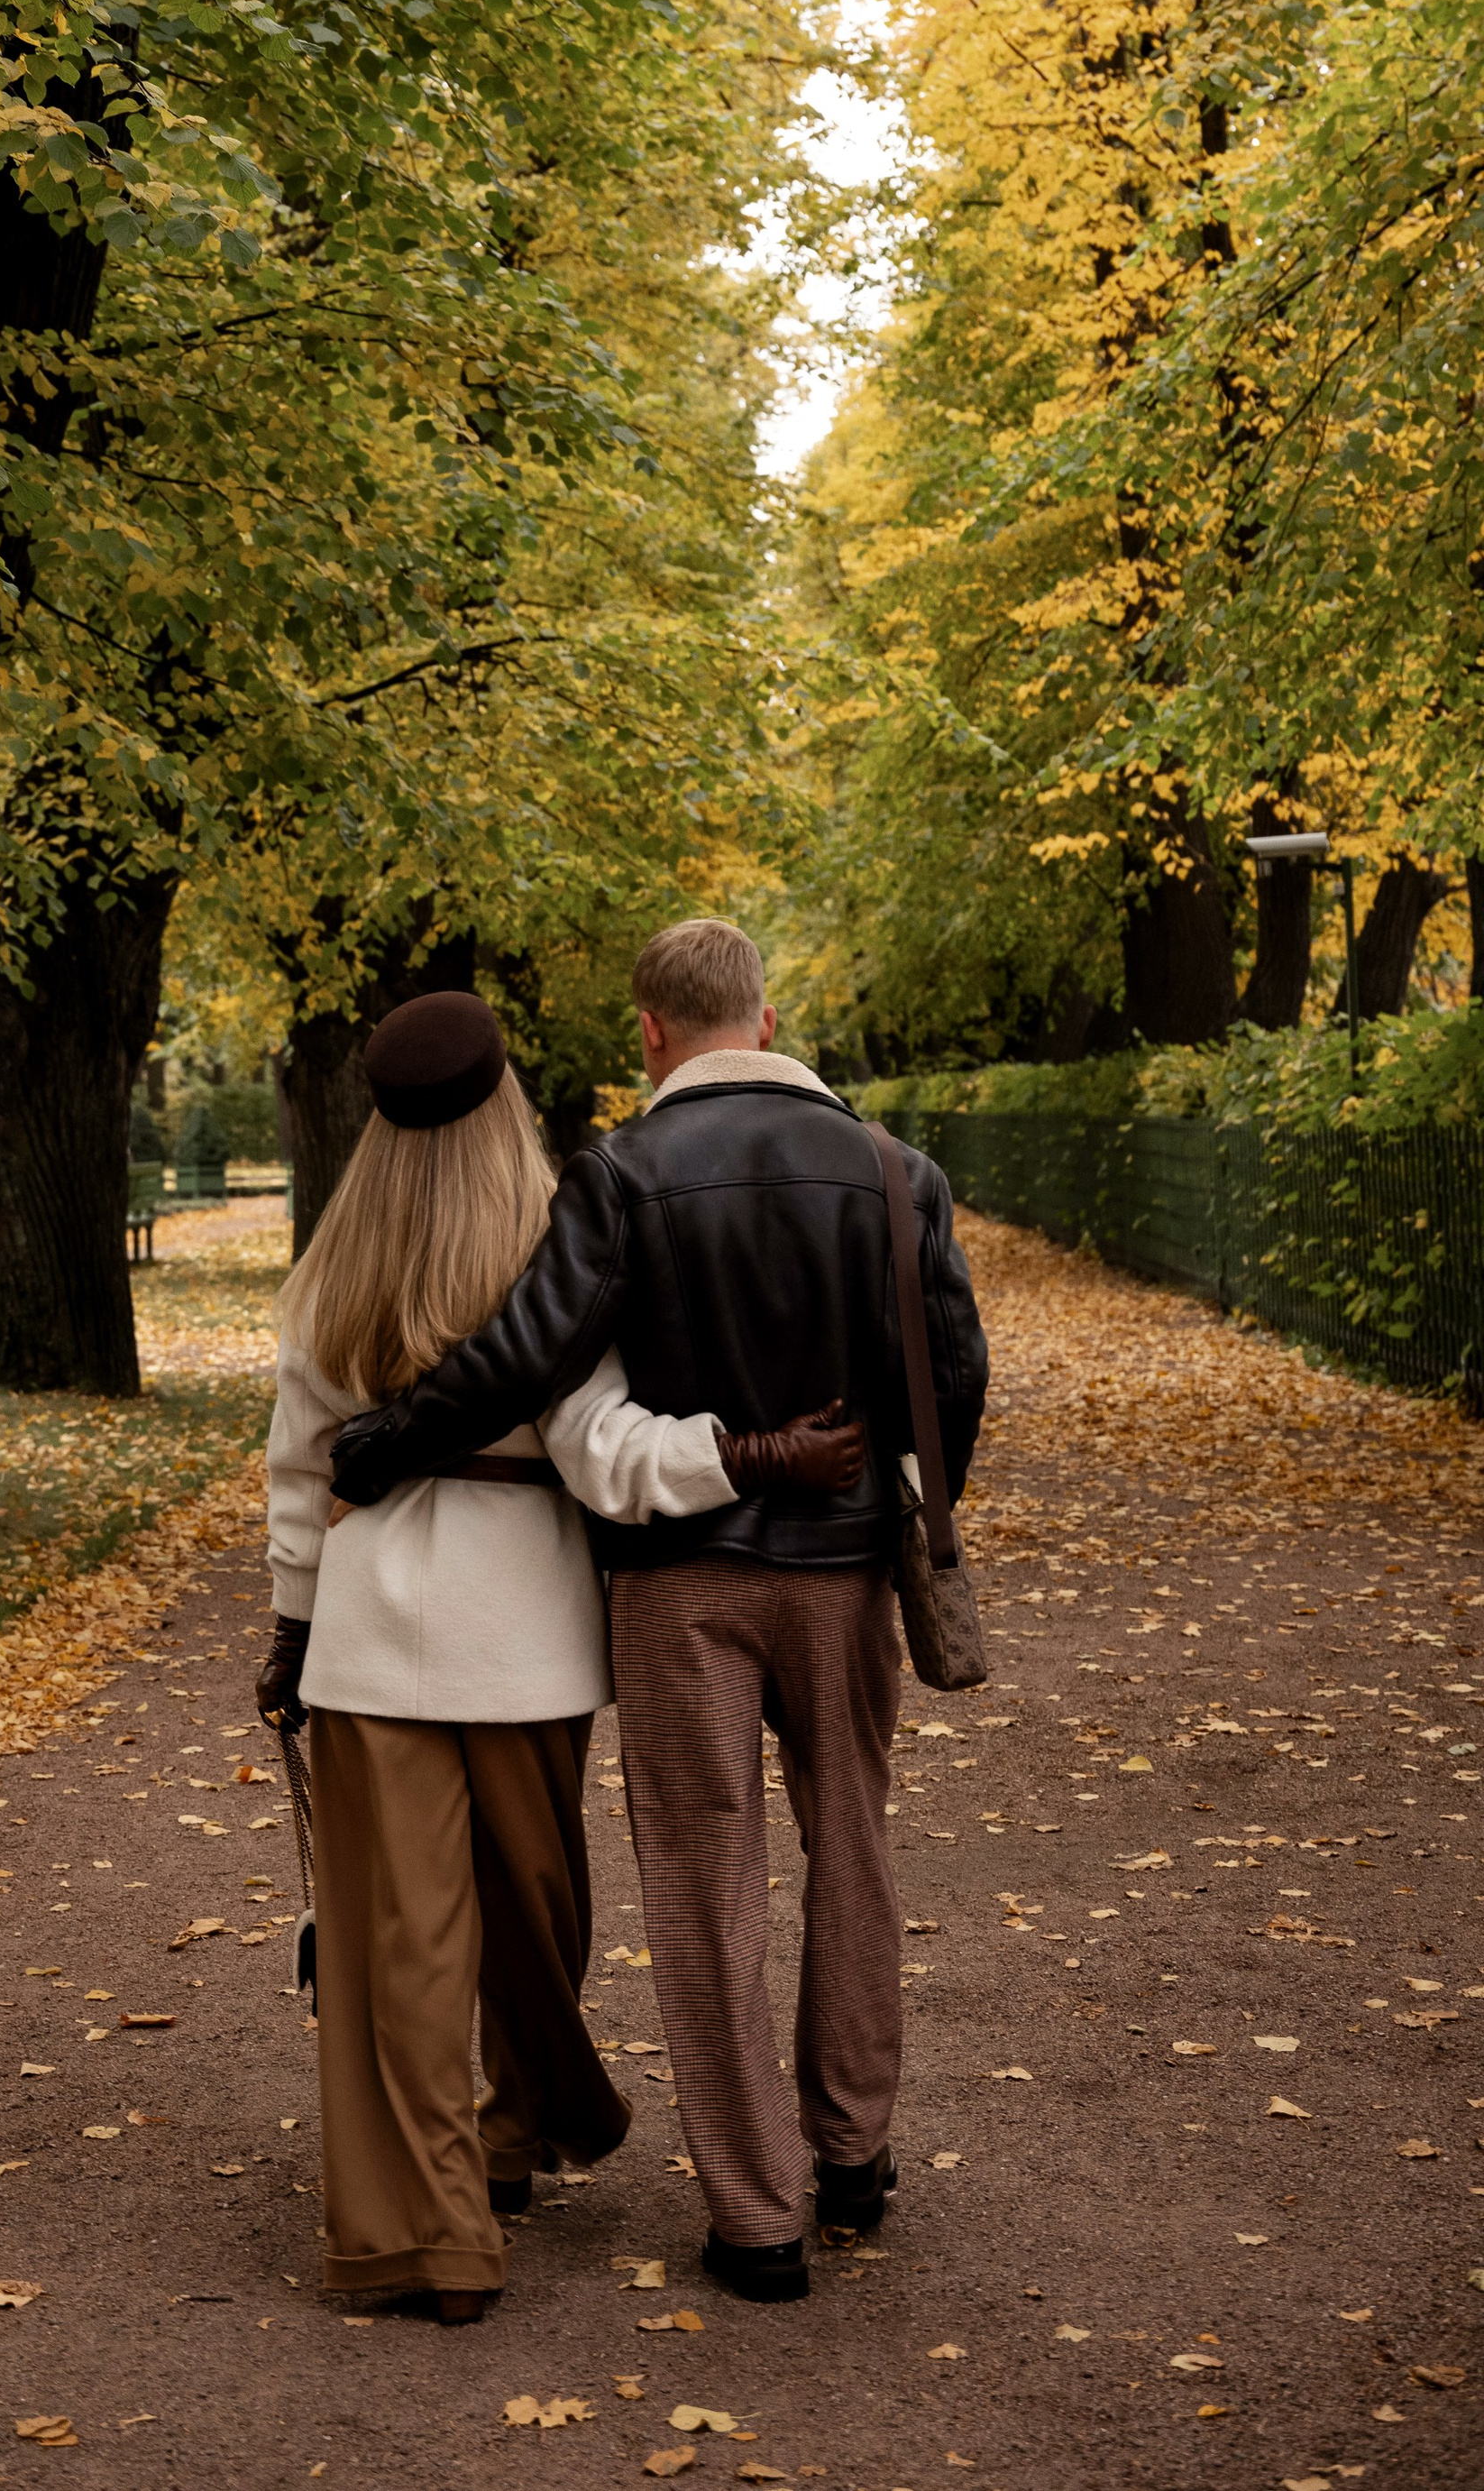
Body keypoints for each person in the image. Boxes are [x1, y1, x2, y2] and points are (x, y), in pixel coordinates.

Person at [330, 920, 987, 2307]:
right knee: (854, 1846)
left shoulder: (621, 1173)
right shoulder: (896, 1175)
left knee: (705, 1889)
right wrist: (908, 1511)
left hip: (681, 1584)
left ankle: (757, 2220)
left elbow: (531, 1352)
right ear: (764, 1013)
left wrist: (391, 1441)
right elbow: (956, 1370)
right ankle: (856, 2151)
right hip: (847, 1572)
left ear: (649, 1032)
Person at [261, 988, 860, 2324]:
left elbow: (298, 1474)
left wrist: (292, 1626)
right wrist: (747, 1460)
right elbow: (601, 1440)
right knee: (536, 1910)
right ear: (507, 1108)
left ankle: (448, 2208)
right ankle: (493, 2159)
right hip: (527, 1630)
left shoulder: (333, 1267)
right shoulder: (565, 1235)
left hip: (368, 1634)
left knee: (411, 1937)